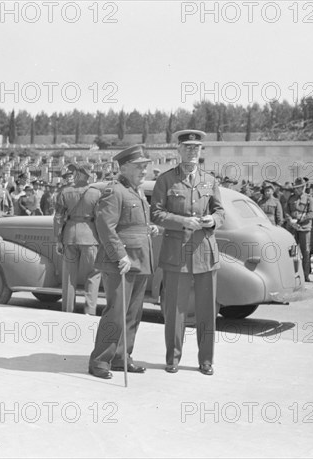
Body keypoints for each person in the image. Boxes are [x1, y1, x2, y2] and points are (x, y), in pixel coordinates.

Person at [150, 130, 225, 376]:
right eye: (188, 148)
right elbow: (156, 214)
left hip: (205, 252)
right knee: (174, 310)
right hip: (177, 254)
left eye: (197, 148)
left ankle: (206, 360)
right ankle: (172, 358)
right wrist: (183, 221)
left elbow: (220, 212)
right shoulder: (166, 180)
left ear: (201, 152)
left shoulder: (210, 181)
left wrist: (211, 220)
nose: (193, 152)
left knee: (206, 311)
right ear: (179, 150)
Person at [88, 145, 157, 380]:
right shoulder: (114, 191)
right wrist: (120, 255)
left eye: (145, 165)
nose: (144, 170)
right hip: (121, 261)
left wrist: (149, 229)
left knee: (132, 314)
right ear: (124, 167)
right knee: (116, 313)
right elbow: (105, 226)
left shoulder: (136, 192)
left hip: (140, 259)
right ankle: (100, 361)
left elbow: (132, 224)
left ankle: (122, 357)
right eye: (139, 166)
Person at [54, 163, 102, 315]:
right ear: (88, 177)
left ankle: (68, 310)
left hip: (70, 236)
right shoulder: (96, 193)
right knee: (93, 275)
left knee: (68, 276)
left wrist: (58, 239)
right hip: (90, 236)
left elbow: (58, 218)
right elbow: (100, 218)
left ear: (78, 175)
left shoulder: (65, 192)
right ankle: (90, 311)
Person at [284, 177, 313, 282]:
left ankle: (305, 275)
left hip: (304, 228)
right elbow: (286, 212)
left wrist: (299, 221)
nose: (298, 190)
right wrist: (290, 221)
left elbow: (311, 213)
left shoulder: (309, 198)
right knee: (292, 251)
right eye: (296, 188)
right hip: (292, 228)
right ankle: (292, 274)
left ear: (304, 187)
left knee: (305, 252)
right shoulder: (291, 198)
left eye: (300, 187)